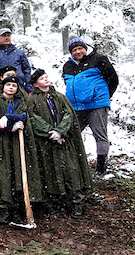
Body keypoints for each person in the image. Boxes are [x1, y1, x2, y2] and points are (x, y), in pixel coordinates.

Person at [0, 75, 42, 224]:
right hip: (0, 145)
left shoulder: (21, 102)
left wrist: (14, 117)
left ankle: (19, 205)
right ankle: (2, 206)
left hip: (17, 145)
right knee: (2, 173)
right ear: (3, 87)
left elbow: (26, 116)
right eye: (8, 85)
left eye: (14, 85)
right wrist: (9, 126)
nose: (11, 88)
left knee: (18, 172)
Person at [29, 69, 93, 216]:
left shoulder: (59, 97)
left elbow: (68, 114)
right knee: (49, 170)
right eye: (41, 78)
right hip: (46, 144)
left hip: (65, 141)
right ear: (35, 84)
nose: (45, 79)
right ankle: (53, 202)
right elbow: (33, 118)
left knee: (71, 169)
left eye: (46, 77)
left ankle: (77, 201)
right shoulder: (32, 100)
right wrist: (50, 132)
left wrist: (60, 131)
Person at [62, 37, 118, 178]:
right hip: (77, 107)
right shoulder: (67, 66)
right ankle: (77, 165)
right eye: (74, 50)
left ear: (85, 48)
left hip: (96, 104)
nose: (78, 51)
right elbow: (68, 84)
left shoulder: (98, 59)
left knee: (100, 136)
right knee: (72, 135)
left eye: (80, 48)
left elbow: (113, 79)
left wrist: (103, 96)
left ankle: (100, 169)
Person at [0, 28, 32, 92]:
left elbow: (27, 70)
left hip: (19, 87)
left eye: (8, 35)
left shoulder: (20, 53)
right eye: (4, 36)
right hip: (0, 89)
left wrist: (28, 86)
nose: (6, 38)